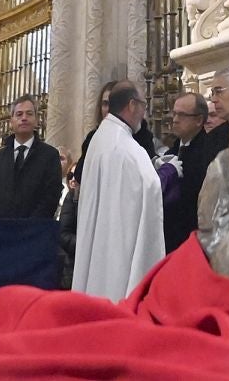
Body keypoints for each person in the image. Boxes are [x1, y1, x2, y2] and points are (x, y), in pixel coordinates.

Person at [73, 82, 165, 300]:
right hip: (117, 246)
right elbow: (150, 187)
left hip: (100, 240)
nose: (145, 112)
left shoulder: (100, 138)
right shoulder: (126, 148)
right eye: (143, 105)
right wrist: (168, 171)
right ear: (132, 105)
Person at [0, 94, 63, 219]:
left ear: (36, 119)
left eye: (29, 114)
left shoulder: (49, 156)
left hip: (34, 232)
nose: (24, 118)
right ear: (11, 121)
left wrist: (27, 228)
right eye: (19, 114)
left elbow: (51, 196)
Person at [163, 91, 221, 253]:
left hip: (192, 239)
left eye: (182, 115)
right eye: (174, 113)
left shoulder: (208, 154)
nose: (175, 120)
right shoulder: (172, 152)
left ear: (198, 120)